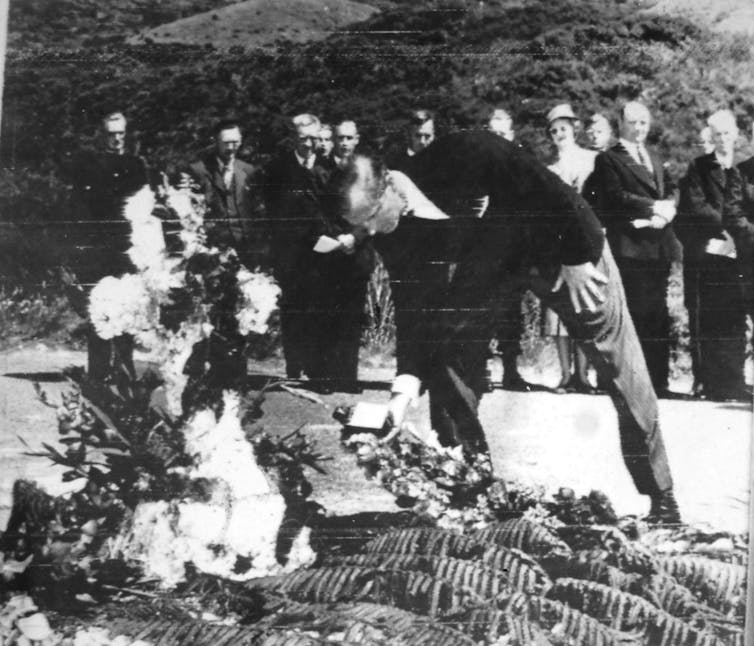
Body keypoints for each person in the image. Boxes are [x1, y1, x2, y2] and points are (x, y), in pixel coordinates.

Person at [330, 131, 680, 524]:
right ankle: (468, 485)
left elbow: (552, 191)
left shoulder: (468, 150)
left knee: (619, 363)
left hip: (563, 250)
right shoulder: (392, 236)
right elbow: (416, 313)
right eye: (361, 227)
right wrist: (401, 393)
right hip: (489, 270)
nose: (372, 233)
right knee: (444, 353)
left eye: (371, 218)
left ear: (390, 186)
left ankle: (661, 497)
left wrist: (577, 257)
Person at [265, 114, 372, 391]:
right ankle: (311, 372)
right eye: (305, 139)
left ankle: (338, 375)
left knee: (337, 316)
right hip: (301, 251)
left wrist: (344, 238)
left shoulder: (330, 168)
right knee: (312, 316)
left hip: (333, 249)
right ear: (293, 139)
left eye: (316, 138)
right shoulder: (280, 169)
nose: (312, 144)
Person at [584, 101, 679, 395]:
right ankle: (625, 382)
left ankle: (658, 383)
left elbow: (674, 188)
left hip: (659, 245)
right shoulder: (609, 159)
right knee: (632, 314)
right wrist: (653, 206)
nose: (639, 128)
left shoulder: (654, 155)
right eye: (633, 123)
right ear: (621, 125)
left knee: (657, 314)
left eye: (644, 123)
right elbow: (615, 196)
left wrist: (670, 208)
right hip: (630, 248)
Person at [68, 111, 150, 390]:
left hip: (127, 248)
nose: (116, 139)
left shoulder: (136, 164)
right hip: (97, 248)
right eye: (111, 134)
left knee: (127, 309)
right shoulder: (87, 165)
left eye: (121, 134)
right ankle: (98, 374)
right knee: (100, 310)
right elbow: (78, 208)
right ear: (101, 135)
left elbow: (143, 205)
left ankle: (125, 370)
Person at [677, 110, 749, 401]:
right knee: (710, 317)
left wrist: (739, 234)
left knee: (735, 318)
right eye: (717, 134)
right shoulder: (699, 167)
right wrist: (727, 227)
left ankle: (735, 381)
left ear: (736, 134)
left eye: (727, 133)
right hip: (712, 250)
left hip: (741, 252)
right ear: (711, 135)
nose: (722, 139)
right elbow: (696, 206)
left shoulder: (744, 167)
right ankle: (711, 382)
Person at [544, 104, 599, 394]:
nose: (558, 134)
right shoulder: (548, 168)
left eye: (563, 128)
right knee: (560, 310)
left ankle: (583, 374)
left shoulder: (591, 159)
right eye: (553, 131)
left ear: (574, 128)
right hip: (558, 243)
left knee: (585, 307)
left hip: (585, 241)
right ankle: (565, 374)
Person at [486, 107, 535, 391]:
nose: (498, 139)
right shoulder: (477, 161)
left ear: (512, 134)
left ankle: (511, 370)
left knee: (510, 311)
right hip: (484, 245)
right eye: (494, 134)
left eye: (503, 134)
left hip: (515, 246)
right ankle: (480, 369)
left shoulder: (522, 160)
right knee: (483, 309)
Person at [180, 119, 266, 268]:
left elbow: (257, 210)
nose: (231, 147)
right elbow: (190, 211)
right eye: (226, 143)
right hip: (213, 249)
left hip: (248, 249)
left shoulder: (248, 170)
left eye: (235, 142)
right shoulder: (199, 170)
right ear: (216, 142)